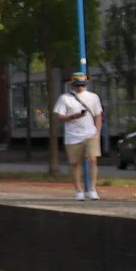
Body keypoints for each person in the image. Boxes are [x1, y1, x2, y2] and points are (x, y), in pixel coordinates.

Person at [55, 72, 104, 200]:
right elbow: (60, 116)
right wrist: (75, 116)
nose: (80, 88)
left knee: (93, 159)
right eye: (77, 85)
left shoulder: (94, 97)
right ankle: (79, 190)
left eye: (82, 85)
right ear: (72, 85)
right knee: (75, 163)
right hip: (73, 135)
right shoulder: (65, 98)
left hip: (90, 133)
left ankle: (92, 189)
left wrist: (97, 132)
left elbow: (98, 115)